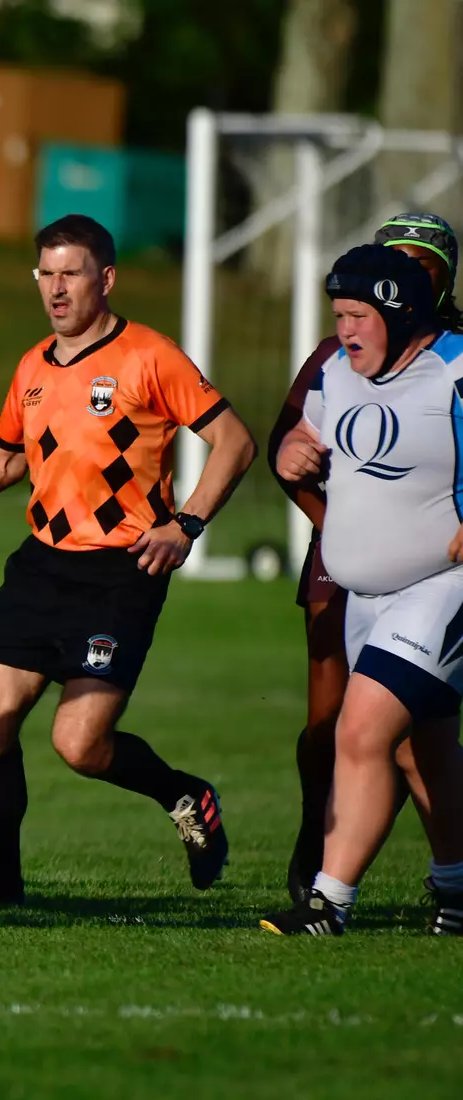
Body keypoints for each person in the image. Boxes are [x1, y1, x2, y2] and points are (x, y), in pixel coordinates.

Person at [0, 214, 254, 905]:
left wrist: (186, 524)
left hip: (121, 572)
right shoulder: (33, 366)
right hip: (42, 565)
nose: (55, 288)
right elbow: (3, 460)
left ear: (105, 278)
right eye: (45, 274)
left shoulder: (149, 356)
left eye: (69, 273)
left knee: (79, 745)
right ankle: (4, 890)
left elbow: (234, 442)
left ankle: (185, 794)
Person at [264, 245, 463, 936]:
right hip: (363, 597)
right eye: (338, 315)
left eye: (357, 316)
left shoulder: (458, 366)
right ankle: (458, 890)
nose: (343, 330)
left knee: (360, 728)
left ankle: (328, 901)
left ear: (401, 311)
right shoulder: (335, 371)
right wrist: (294, 448)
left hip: (442, 586)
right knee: (420, 750)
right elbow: (306, 436)